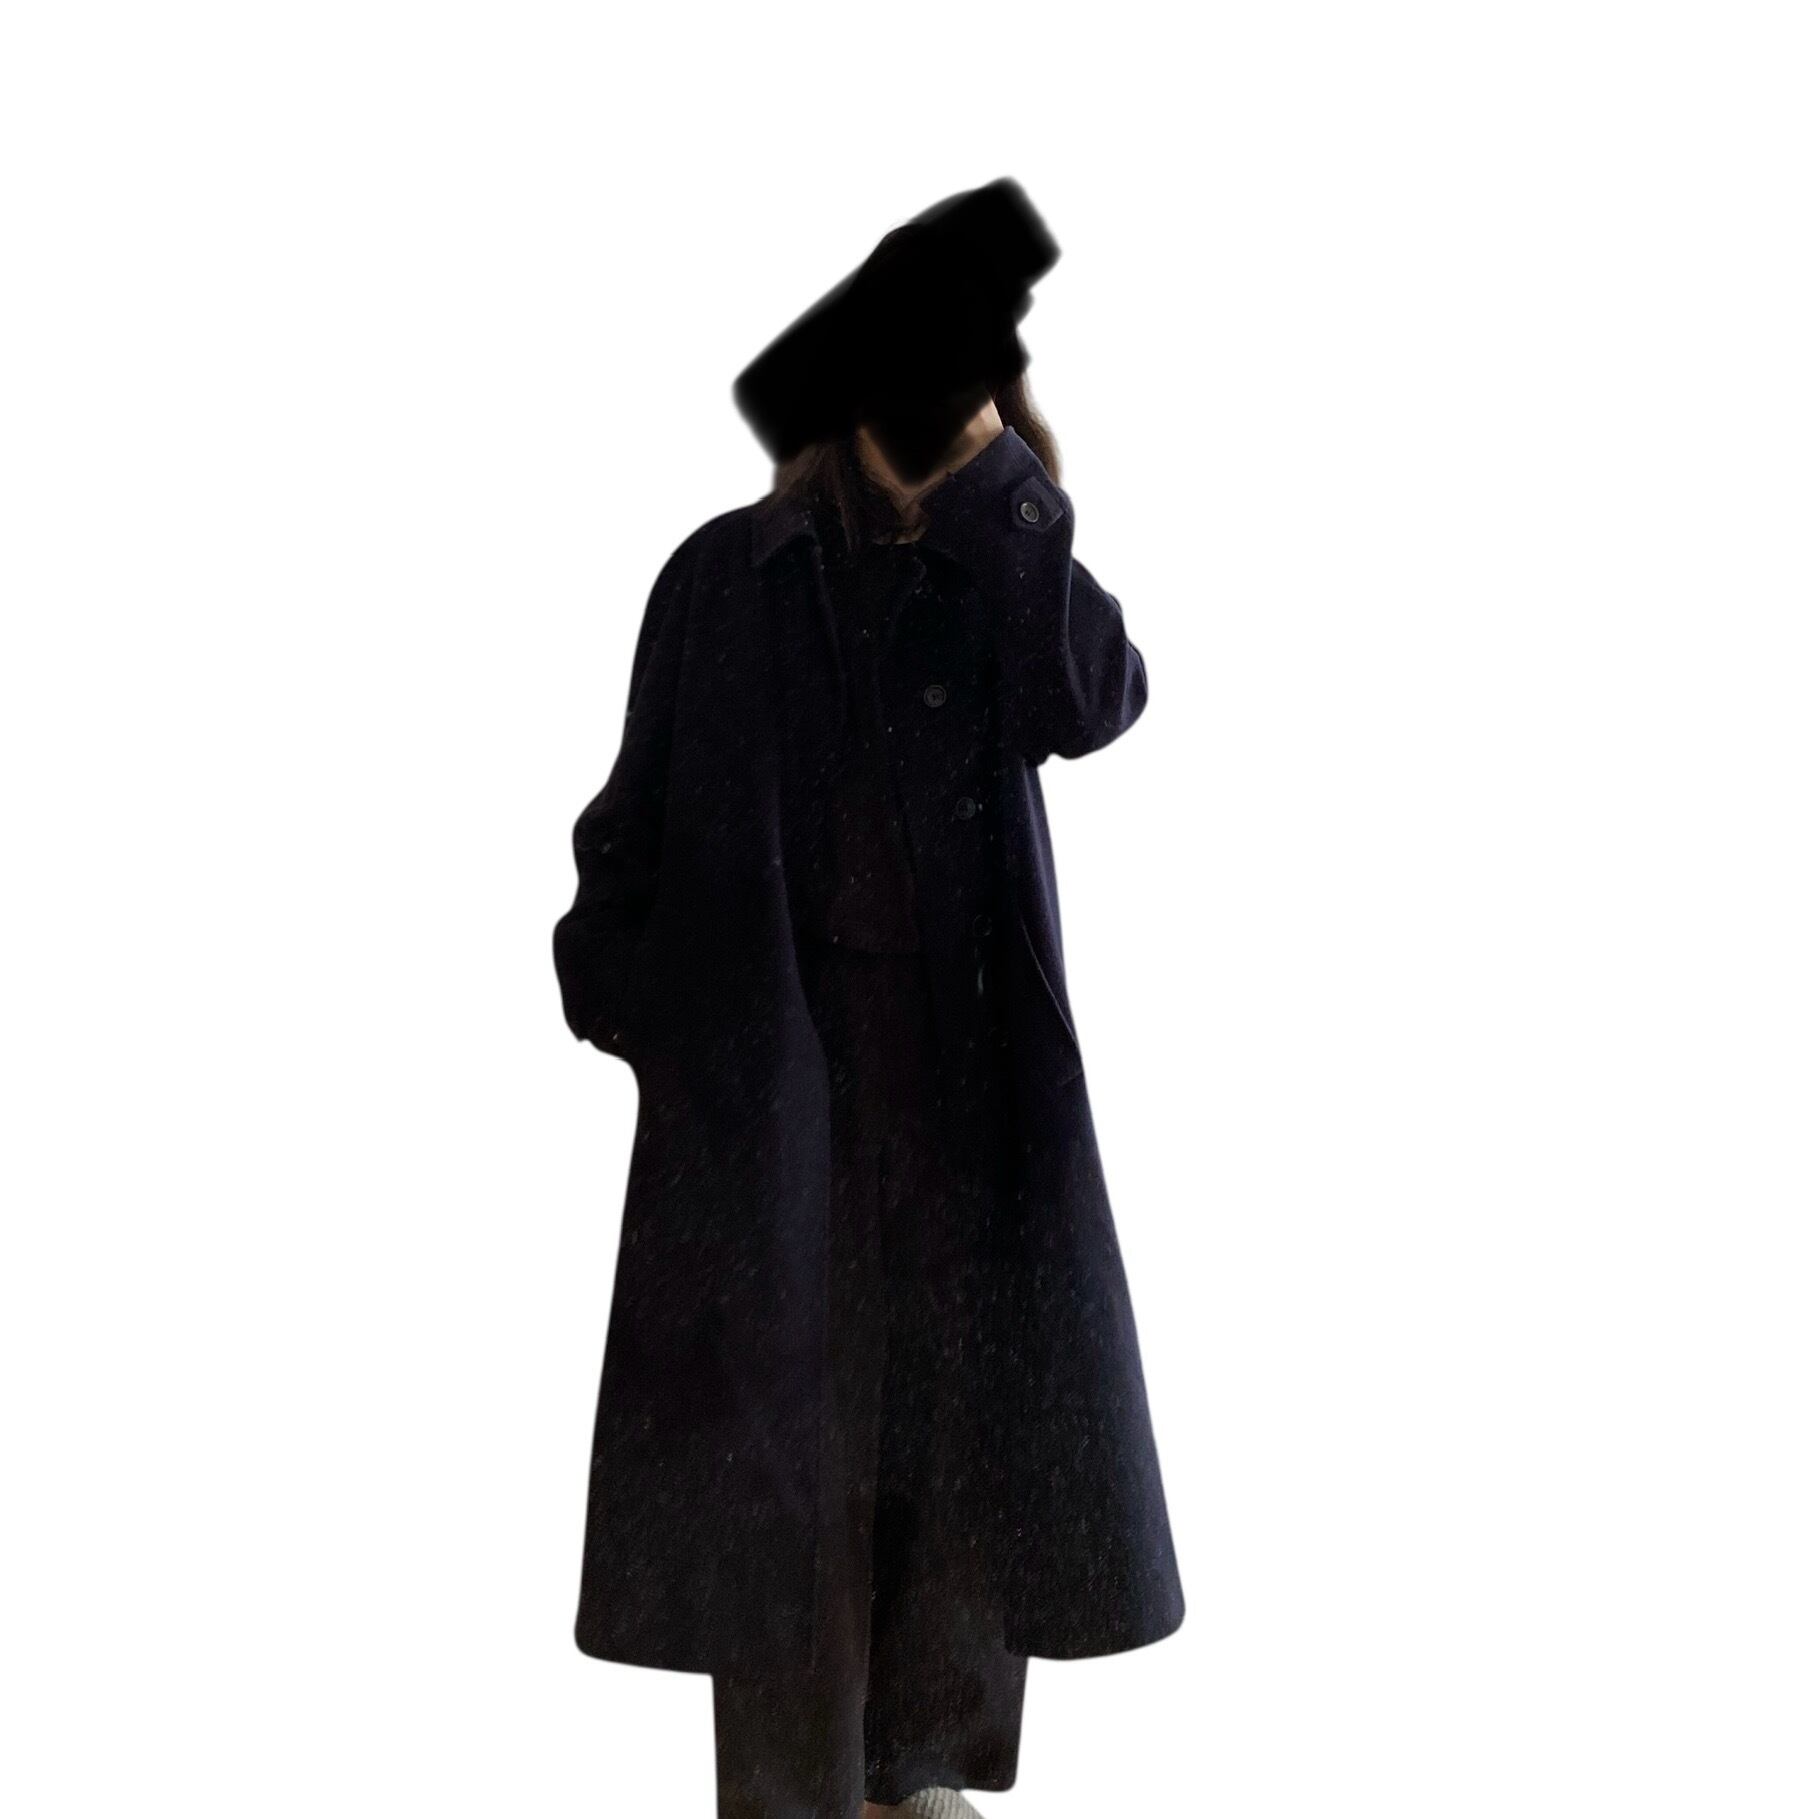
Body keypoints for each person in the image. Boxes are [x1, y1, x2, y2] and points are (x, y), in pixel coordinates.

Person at [554, 321, 1184, 1818]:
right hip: (774, 1115)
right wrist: (667, 1029)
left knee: (962, 1456)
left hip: (968, 1111)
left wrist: (994, 484)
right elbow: (618, 854)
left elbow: (1098, 696)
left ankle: (920, 1783)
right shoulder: (726, 577)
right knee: (786, 1493)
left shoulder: (1000, 578)